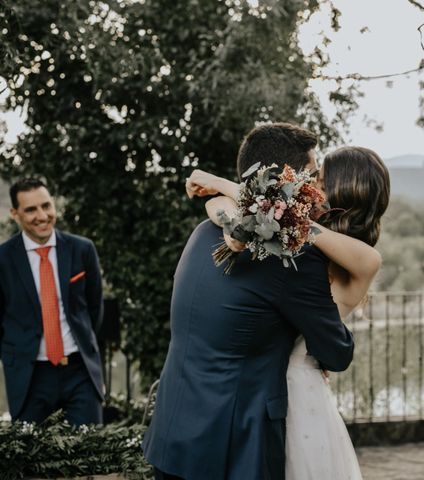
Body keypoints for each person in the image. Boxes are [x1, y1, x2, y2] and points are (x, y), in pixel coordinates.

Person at [142, 123, 355, 480]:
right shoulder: (288, 258)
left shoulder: (205, 230)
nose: (317, 191)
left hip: (172, 432)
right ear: (283, 184)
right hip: (234, 448)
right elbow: (336, 352)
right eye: (311, 177)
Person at [190, 145, 390, 479]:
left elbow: (291, 223)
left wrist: (219, 184)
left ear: (343, 191)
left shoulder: (361, 259)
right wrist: (224, 204)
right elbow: (237, 211)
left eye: (321, 182)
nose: (311, 187)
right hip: (268, 390)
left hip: (299, 396)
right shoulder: (300, 246)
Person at [0, 178, 104, 425]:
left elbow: (94, 308)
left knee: (90, 456)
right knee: (31, 460)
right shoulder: (3, 259)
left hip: (80, 372)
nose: (42, 215)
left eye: (46, 206)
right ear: (15, 213)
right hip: (30, 377)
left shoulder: (82, 249)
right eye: (31, 209)